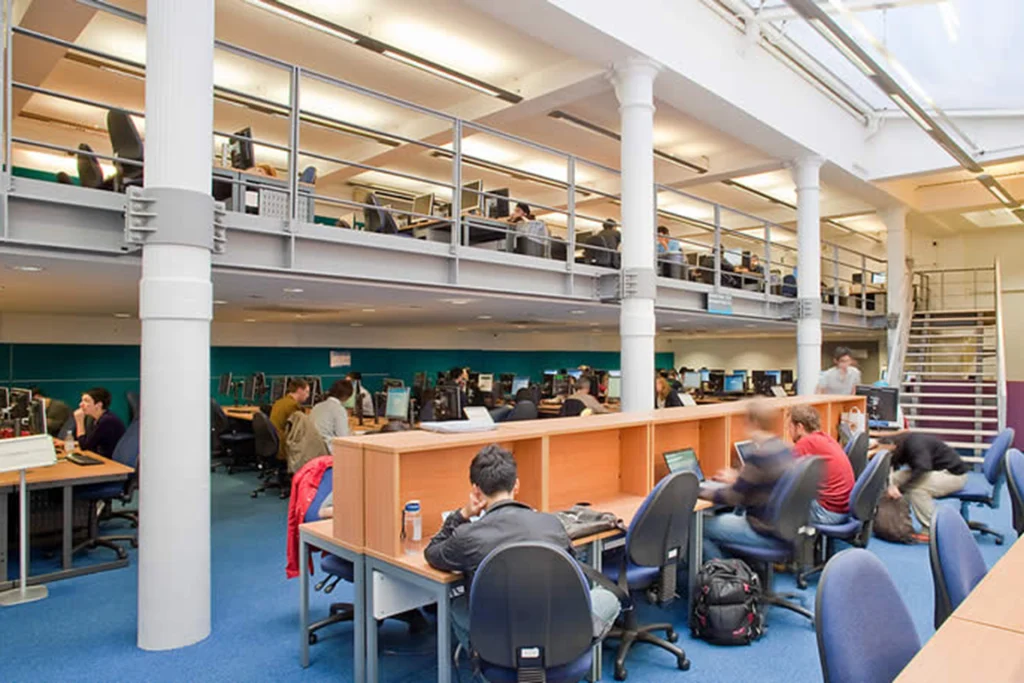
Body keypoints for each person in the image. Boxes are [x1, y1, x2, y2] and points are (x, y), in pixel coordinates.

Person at [424, 445, 621, 649]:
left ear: (476, 490)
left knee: (458, 605)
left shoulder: (468, 536)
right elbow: (575, 578)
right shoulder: (552, 524)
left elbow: (432, 552)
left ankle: (486, 660)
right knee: (608, 597)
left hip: (500, 645)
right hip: (558, 639)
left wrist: (462, 514)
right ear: (516, 485)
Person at [699, 401, 793, 561]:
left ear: (753, 422)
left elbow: (731, 497)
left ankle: (725, 572)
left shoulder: (760, 456)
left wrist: (697, 490)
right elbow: (763, 481)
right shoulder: (783, 448)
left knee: (698, 526)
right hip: (780, 528)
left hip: (761, 530)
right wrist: (740, 477)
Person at [882, 431, 969, 541]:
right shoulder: (903, 444)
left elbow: (923, 468)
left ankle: (932, 529)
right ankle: (899, 523)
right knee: (895, 478)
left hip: (953, 475)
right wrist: (893, 486)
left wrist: (900, 489)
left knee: (917, 490)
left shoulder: (914, 445)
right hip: (935, 471)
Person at [788, 405, 854, 525]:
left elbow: (785, 476)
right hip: (843, 509)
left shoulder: (805, 443)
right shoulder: (825, 438)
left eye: (789, 427)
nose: (788, 432)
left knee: (775, 503)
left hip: (828, 513)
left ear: (799, 427)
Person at [74, 387, 126, 458]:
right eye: (82, 401)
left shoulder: (106, 420)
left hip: (109, 461)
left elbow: (84, 446)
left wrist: (79, 421)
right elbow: (91, 441)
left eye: (86, 401)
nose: (80, 404)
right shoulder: (96, 419)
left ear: (98, 405)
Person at [270, 378, 309, 461]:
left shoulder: (279, 402)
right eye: (306, 392)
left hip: (275, 439)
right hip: (283, 444)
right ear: (299, 390)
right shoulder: (293, 405)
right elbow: (298, 430)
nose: (308, 395)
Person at [309, 379, 353, 452]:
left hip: (312, 448)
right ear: (346, 397)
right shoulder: (339, 409)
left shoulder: (316, 406)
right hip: (327, 449)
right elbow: (343, 437)